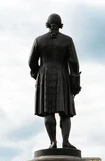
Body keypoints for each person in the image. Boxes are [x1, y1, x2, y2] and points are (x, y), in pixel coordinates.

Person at [29, 13, 81, 149]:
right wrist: (75, 81)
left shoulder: (39, 40)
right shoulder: (67, 40)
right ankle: (65, 142)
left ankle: (53, 142)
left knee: (48, 111)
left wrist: (37, 74)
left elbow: (31, 62)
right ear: (60, 25)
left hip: (44, 77)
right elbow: (74, 62)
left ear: (48, 24)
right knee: (66, 112)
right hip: (63, 76)